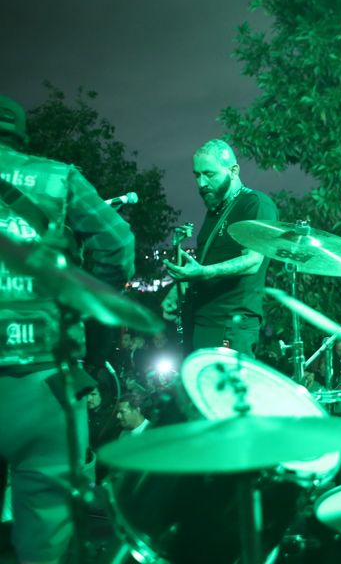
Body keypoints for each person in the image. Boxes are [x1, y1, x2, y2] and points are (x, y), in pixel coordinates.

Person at [0, 94, 135, 564]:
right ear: (21, 137)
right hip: (48, 386)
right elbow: (117, 242)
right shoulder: (59, 178)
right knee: (49, 546)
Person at [161, 139, 278, 356]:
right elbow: (205, 262)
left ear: (233, 171)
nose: (201, 183)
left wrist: (204, 272)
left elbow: (253, 261)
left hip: (231, 324)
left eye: (209, 174)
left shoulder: (255, 203)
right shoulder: (214, 212)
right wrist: (177, 291)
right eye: (197, 175)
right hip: (201, 323)